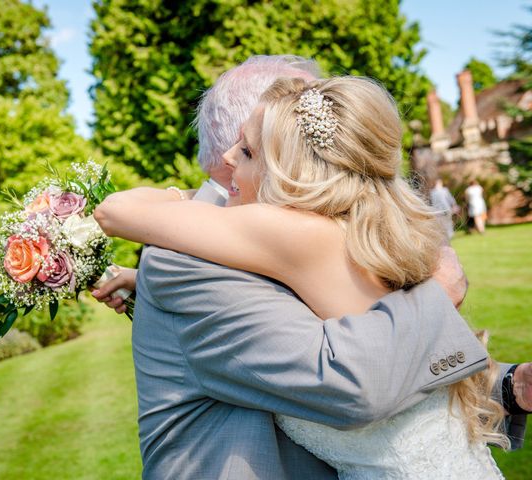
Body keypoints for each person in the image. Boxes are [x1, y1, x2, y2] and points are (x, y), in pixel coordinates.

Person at [93, 57, 530, 479]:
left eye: (244, 149)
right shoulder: (189, 260)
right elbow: (370, 365)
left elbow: (393, 352)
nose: (230, 156)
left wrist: (508, 386)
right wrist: (438, 297)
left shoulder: (318, 235)